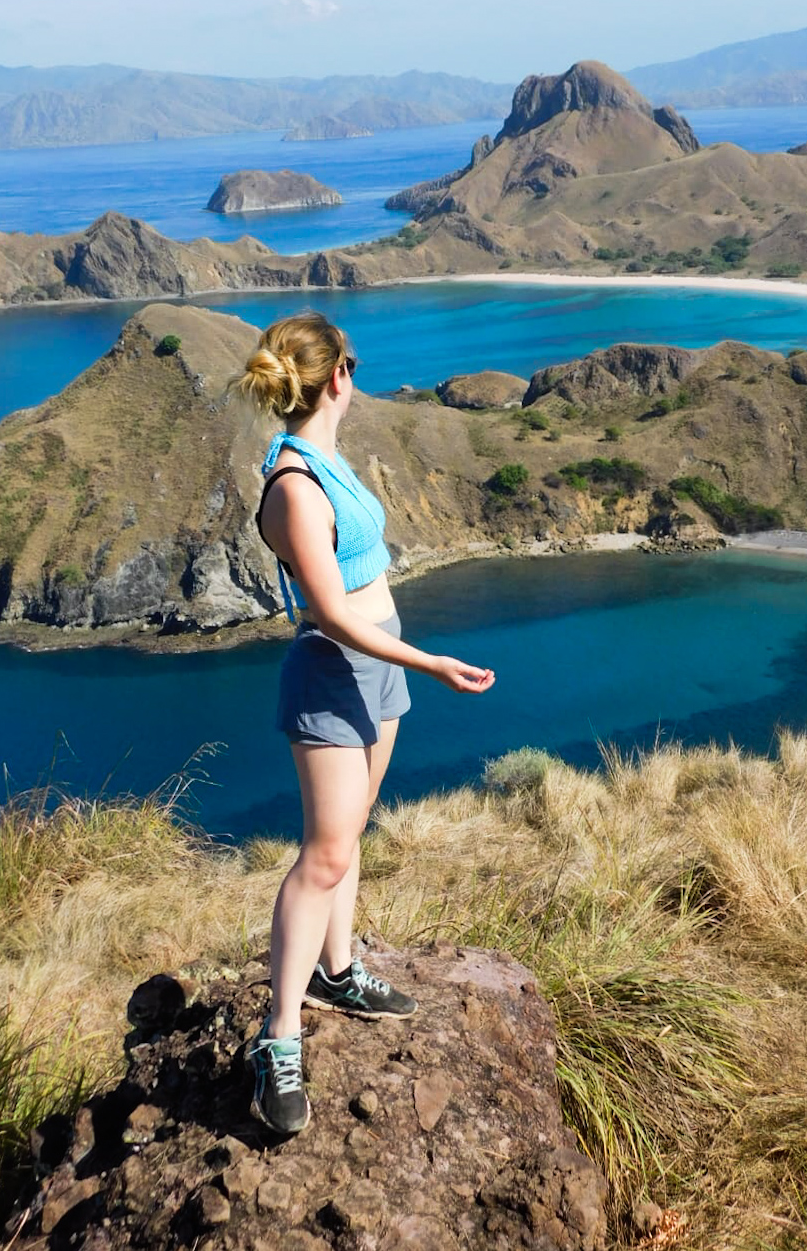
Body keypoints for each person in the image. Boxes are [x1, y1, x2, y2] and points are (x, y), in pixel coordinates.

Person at [232, 311, 495, 1134]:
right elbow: (332, 613)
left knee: (350, 837)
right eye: (353, 367)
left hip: (378, 664)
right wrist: (432, 663)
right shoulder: (294, 487)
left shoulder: (326, 457)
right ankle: (278, 1036)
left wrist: (405, 660)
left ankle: (338, 969)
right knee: (324, 854)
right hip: (335, 668)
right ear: (339, 376)